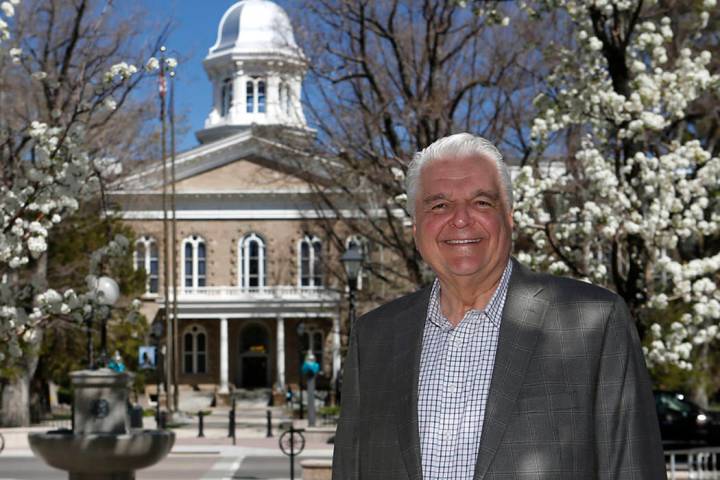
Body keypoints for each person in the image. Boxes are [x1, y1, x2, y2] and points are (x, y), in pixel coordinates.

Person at [332, 133, 665, 479]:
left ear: (509, 217)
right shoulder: (373, 339)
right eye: (439, 205)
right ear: (416, 227)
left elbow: (634, 469)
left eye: (481, 203)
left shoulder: (593, 324)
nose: (460, 219)